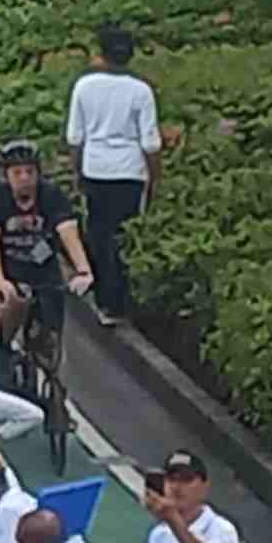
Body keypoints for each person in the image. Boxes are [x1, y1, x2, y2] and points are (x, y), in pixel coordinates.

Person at [63, 24, 165, 321]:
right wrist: (155, 178)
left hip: (95, 168)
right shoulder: (141, 91)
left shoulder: (84, 87)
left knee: (98, 232)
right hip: (130, 172)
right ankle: (120, 300)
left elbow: (75, 138)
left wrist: (77, 171)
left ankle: (104, 297)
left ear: (101, 53)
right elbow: (150, 143)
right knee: (123, 236)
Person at [0, 140, 79, 404]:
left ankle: (51, 375)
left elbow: (67, 232)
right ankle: (4, 345)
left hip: (44, 271)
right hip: (9, 269)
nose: (24, 179)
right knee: (14, 302)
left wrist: (83, 269)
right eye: (17, 173)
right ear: (6, 175)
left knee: (52, 326)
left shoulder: (51, 196)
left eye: (30, 172)